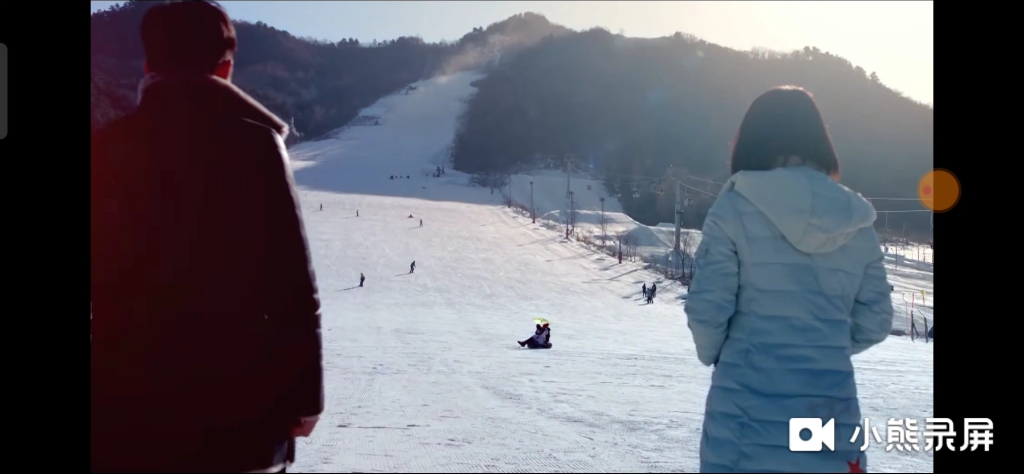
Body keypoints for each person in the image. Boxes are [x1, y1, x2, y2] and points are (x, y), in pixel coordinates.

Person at [90, 2, 323, 472]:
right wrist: (306, 394)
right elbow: (292, 286)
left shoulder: (108, 147)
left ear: (149, 63)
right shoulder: (257, 144)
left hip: (125, 411)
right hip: (239, 413)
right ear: (226, 68)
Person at [685, 86, 893, 473]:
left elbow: (706, 311)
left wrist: (722, 356)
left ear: (750, 141)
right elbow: (877, 320)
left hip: (746, 420)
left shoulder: (734, 207)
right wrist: (823, 347)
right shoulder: (855, 219)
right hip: (831, 420)